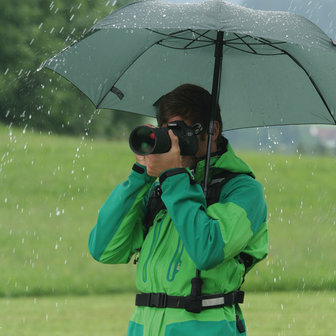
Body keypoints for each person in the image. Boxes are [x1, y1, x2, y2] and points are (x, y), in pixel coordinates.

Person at [88, 84, 268, 336]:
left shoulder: (243, 191)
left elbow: (207, 250)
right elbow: (104, 249)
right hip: (144, 327)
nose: (173, 141)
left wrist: (174, 176)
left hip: (206, 327)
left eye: (179, 132)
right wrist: (140, 176)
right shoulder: (162, 190)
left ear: (212, 130)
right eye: (166, 133)